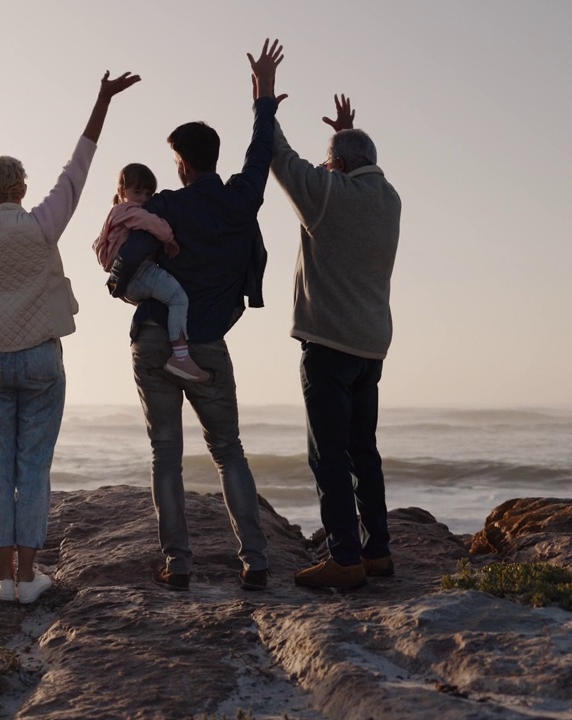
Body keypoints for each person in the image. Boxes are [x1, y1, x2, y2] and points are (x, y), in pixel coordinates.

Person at [0, 69, 140, 604]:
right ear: (21, 189)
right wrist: (101, 101)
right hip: (42, 360)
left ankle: (4, 582)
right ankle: (29, 575)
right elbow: (78, 168)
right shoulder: (45, 223)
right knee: (33, 468)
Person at [107, 39, 284, 592]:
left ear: (181, 164)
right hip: (205, 344)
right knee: (228, 450)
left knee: (167, 453)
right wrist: (264, 96)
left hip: (155, 339)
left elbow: (127, 256)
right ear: (212, 158)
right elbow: (261, 154)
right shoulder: (238, 200)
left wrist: (120, 285)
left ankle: (178, 563)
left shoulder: (166, 205)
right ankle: (253, 560)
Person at [267, 94, 402, 589]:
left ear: (339, 166)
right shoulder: (390, 199)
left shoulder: (329, 194)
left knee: (327, 455)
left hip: (328, 344)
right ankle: (377, 551)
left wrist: (264, 101)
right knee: (363, 451)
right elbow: (356, 169)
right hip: (372, 347)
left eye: (331, 163)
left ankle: (344, 558)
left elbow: (281, 158)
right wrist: (346, 139)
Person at [92, 164, 207, 382]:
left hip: (129, 281)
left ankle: (172, 340)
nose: (144, 198)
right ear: (122, 192)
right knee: (178, 298)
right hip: (139, 272)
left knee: (166, 299)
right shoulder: (127, 210)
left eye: (148, 193)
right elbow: (149, 222)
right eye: (137, 192)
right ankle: (180, 357)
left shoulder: (114, 216)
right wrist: (169, 237)